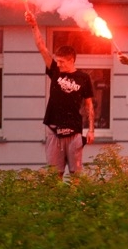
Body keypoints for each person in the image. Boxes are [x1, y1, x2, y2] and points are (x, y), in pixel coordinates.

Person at [25, 10, 95, 179]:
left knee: (76, 175)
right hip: (54, 129)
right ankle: (56, 202)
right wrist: (34, 25)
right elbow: (41, 47)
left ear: (71, 60)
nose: (59, 64)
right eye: (58, 61)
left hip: (74, 132)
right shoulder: (55, 71)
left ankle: (76, 202)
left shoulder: (83, 78)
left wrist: (91, 129)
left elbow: (89, 105)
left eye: (62, 61)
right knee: (54, 174)